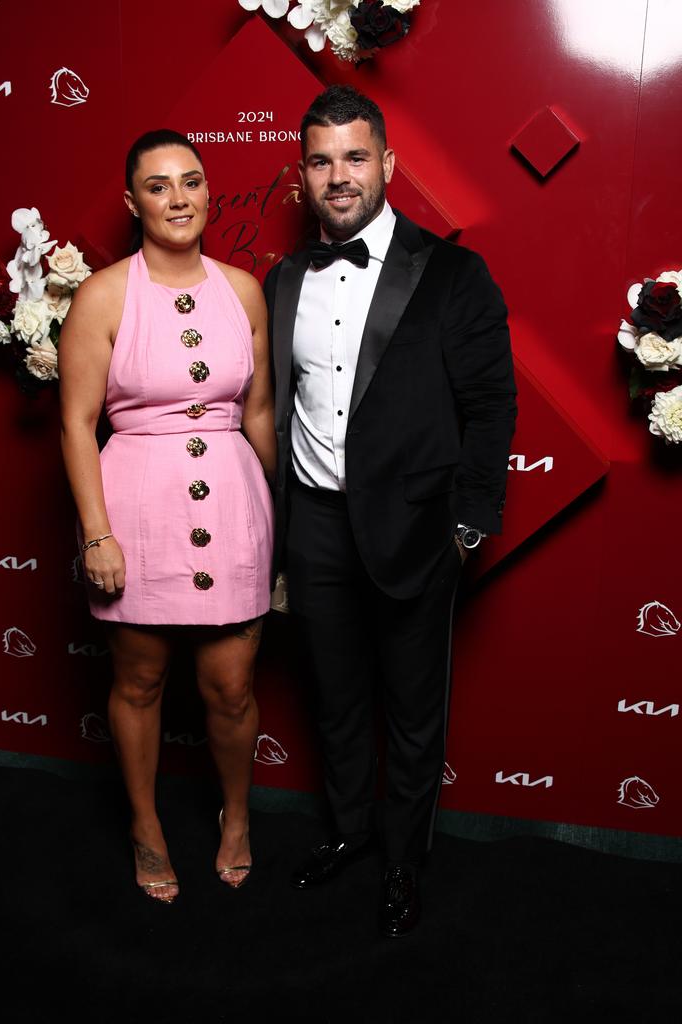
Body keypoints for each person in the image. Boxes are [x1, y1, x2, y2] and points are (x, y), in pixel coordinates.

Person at [264, 86, 516, 937]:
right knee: (335, 699)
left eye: (355, 157)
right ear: (303, 175)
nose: (340, 176)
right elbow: (271, 402)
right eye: (322, 160)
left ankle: (405, 860)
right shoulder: (284, 278)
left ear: (388, 166)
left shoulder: (452, 272)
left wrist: (466, 525)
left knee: (413, 712)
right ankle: (346, 833)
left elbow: (491, 405)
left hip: (417, 529)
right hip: (316, 528)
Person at [59, 129, 275, 903]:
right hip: (136, 510)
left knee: (232, 688)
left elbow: (257, 415)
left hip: (232, 499)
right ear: (131, 201)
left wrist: (286, 522)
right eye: (158, 185)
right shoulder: (103, 294)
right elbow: (77, 423)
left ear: (209, 192)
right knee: (141, 680)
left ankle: (238, 819)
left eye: (191, 181)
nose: (178, 198)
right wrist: (96, 533)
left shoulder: (243, 290)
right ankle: (146, 827)